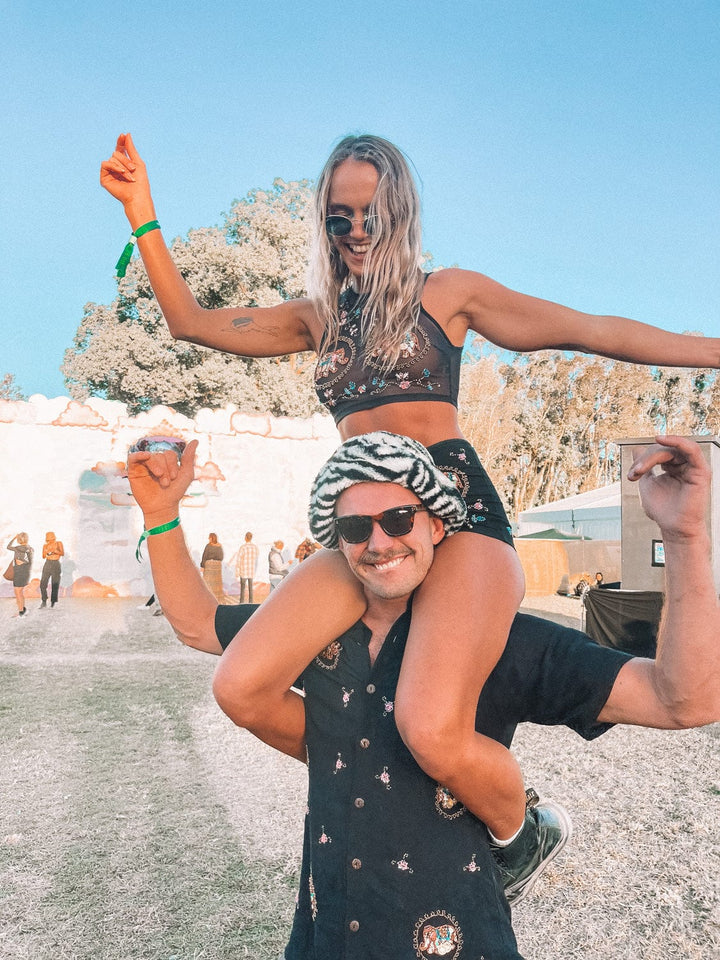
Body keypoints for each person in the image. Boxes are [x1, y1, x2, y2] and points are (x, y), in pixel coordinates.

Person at [101, 131, 720, 852]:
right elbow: (190, 323)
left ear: (402, 214)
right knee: (241, 685)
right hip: (366, 523)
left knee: (430, 723)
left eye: (374, 214)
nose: (357, 231)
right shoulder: (316, 317)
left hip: (457, 515)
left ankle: (520, 834)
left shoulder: (446, 294)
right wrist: (140, 211)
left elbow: (590, 331)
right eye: (340, 217)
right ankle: (378, 773)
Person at [126, 433, 719, 959]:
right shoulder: (309, 634)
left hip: (463, 940)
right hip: (324, 939)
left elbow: (683, 701)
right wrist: (160, 513)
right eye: (355, 528)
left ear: (437, 524)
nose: (379, 542)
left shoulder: (498, 640)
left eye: (399, 518)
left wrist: (684, 535)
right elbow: (197, 623)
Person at [7, 533, 33, 618]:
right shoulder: (30, 548)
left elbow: (8, 546)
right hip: (24, 572)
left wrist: (14, 538)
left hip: (19, 572)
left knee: (18, 592)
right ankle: (22, 610)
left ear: (18, 540)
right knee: (19, 592)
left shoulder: (18, 548)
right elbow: (30, 562)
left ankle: (21, 612)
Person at [39, 531, 64, 609]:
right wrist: (47, 551)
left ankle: (53, 602)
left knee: (55, 583)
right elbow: (43, 556)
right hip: (48, 563)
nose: (50, 541)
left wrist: (54, 551)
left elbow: (62, 553)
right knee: (43, 583)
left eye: (52, 539)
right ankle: (44, 600)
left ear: (54, 538)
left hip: (56, 563)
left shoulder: (58, 543)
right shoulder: (45, 545)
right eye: (49, 539)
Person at [235, 531, 259, 603]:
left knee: (242, 588)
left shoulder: (243, 547)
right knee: (250, 588)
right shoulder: (255, 547)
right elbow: (256, 556)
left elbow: (239, 560)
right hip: (251, 570)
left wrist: (237, 571)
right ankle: (251, 602)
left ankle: (241, 602)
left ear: (245, 538)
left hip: (244, 571)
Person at [200, 532, 224, 601]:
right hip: (217, 566)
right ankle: (216, 597)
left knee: (208, 582)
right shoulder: (219, 546)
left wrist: (202, 566)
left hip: (209, 566)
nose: (208, 538)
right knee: (216, 583)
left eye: (209, 537)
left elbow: (204, 556)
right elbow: (221, 557)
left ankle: (208, 597)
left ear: (212, 538)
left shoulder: (208, 546)